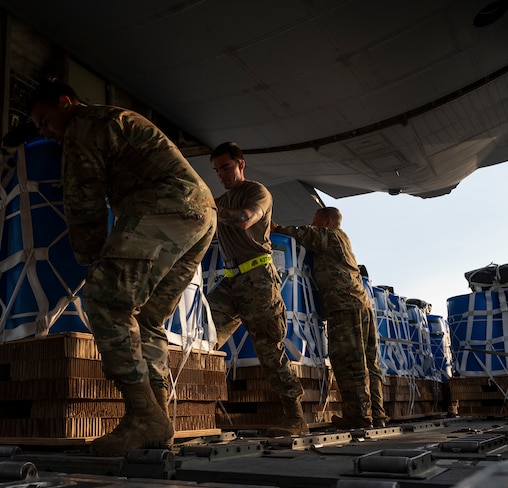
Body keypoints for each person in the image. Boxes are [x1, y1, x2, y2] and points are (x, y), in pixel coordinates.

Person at [28, 80, 217, 455]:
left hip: (163, 207)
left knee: (106, 301)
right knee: (146, 318)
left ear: (66, 103)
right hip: (200, 213)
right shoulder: (115, 120)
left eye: (45, 121)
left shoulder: (83, 126)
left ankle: (143, 416)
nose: (46, 133)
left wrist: (91, 262)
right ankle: (156, 419)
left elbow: (84, 203)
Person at [206, 142, 308, 436]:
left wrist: (212, 207)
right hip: (230, 282)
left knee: (269, 350)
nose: (221, 174)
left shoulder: (257, 193)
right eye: (216, 170)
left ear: (241, 164)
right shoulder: (220, 200)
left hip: (258, 278)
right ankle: (196, 404)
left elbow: (246, 219)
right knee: (203, 333)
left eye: (225, 167)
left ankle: (295, 416)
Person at [273, 207, 389, 429]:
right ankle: (377, 415)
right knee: (369, 362)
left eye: (316, 221)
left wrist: (277, 228)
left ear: (326, 222)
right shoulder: (341, 241)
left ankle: (358, 417)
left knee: (349, 361)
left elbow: (304, 234)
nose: (313, 225)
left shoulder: (331, 235)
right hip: (360, 303)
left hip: (344, 306)